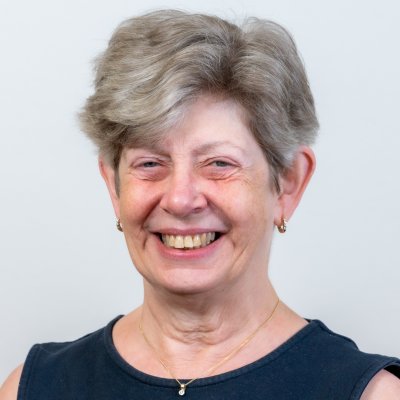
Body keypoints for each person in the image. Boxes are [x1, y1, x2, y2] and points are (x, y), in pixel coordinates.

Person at [1, 9, 399, 400]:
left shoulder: (372, 394)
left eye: (219, 164)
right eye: (150, 164)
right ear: (114, 185)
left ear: (288, 183)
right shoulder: (31, 389)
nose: (180, 199)